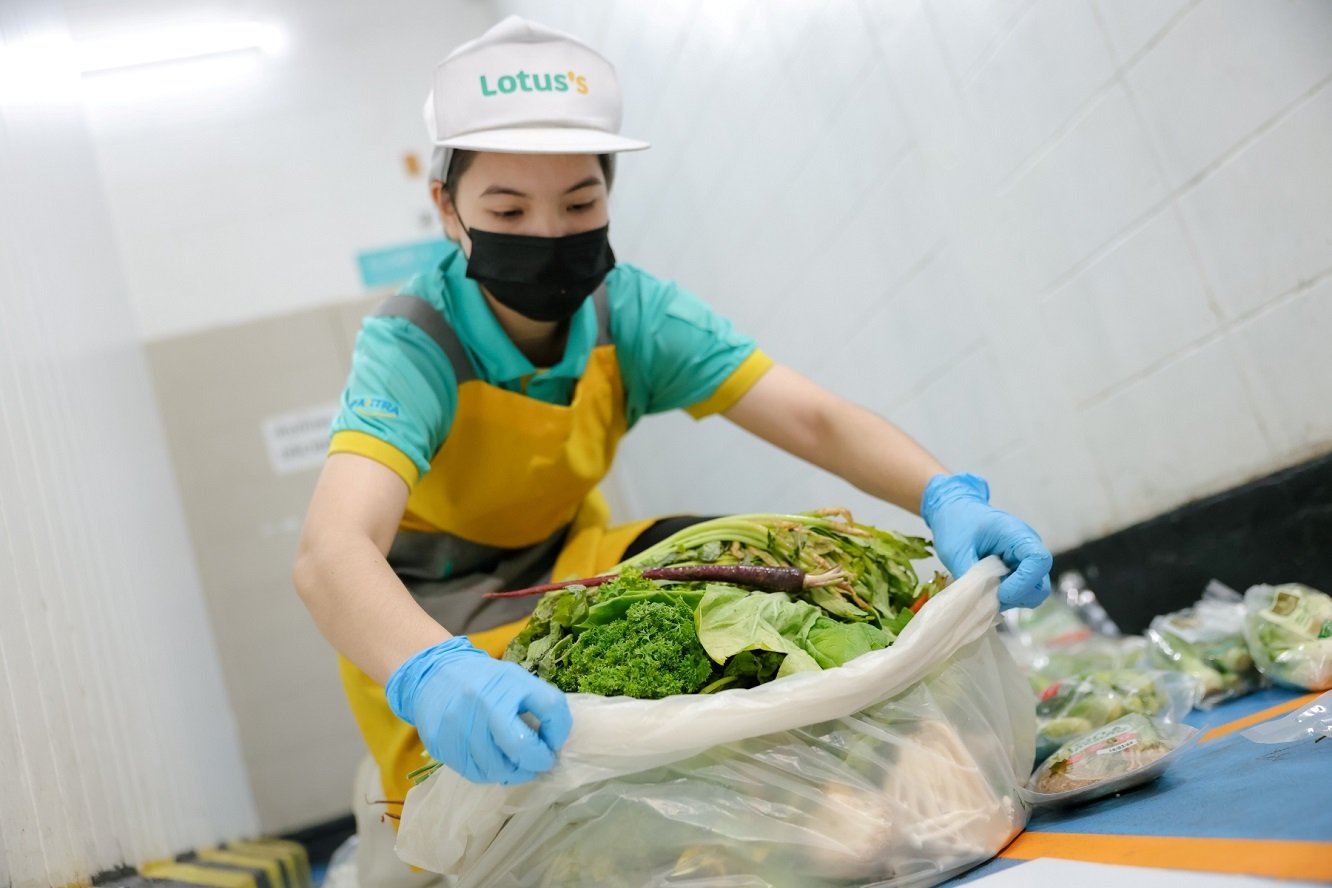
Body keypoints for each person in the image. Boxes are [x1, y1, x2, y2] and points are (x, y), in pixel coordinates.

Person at [293, 15, 1053, 816]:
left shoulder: (629, 313)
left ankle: (864, 793)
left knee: (747, 568)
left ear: (609, 197)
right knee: (502, 818)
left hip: (566, 571)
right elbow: (331, 553)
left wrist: (942, 494)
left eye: (579, 202)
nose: (548, 234)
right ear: (448, 210)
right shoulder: (416, 343)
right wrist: (429, 671)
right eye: (509, 213)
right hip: (422, 614)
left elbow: (813, 420)